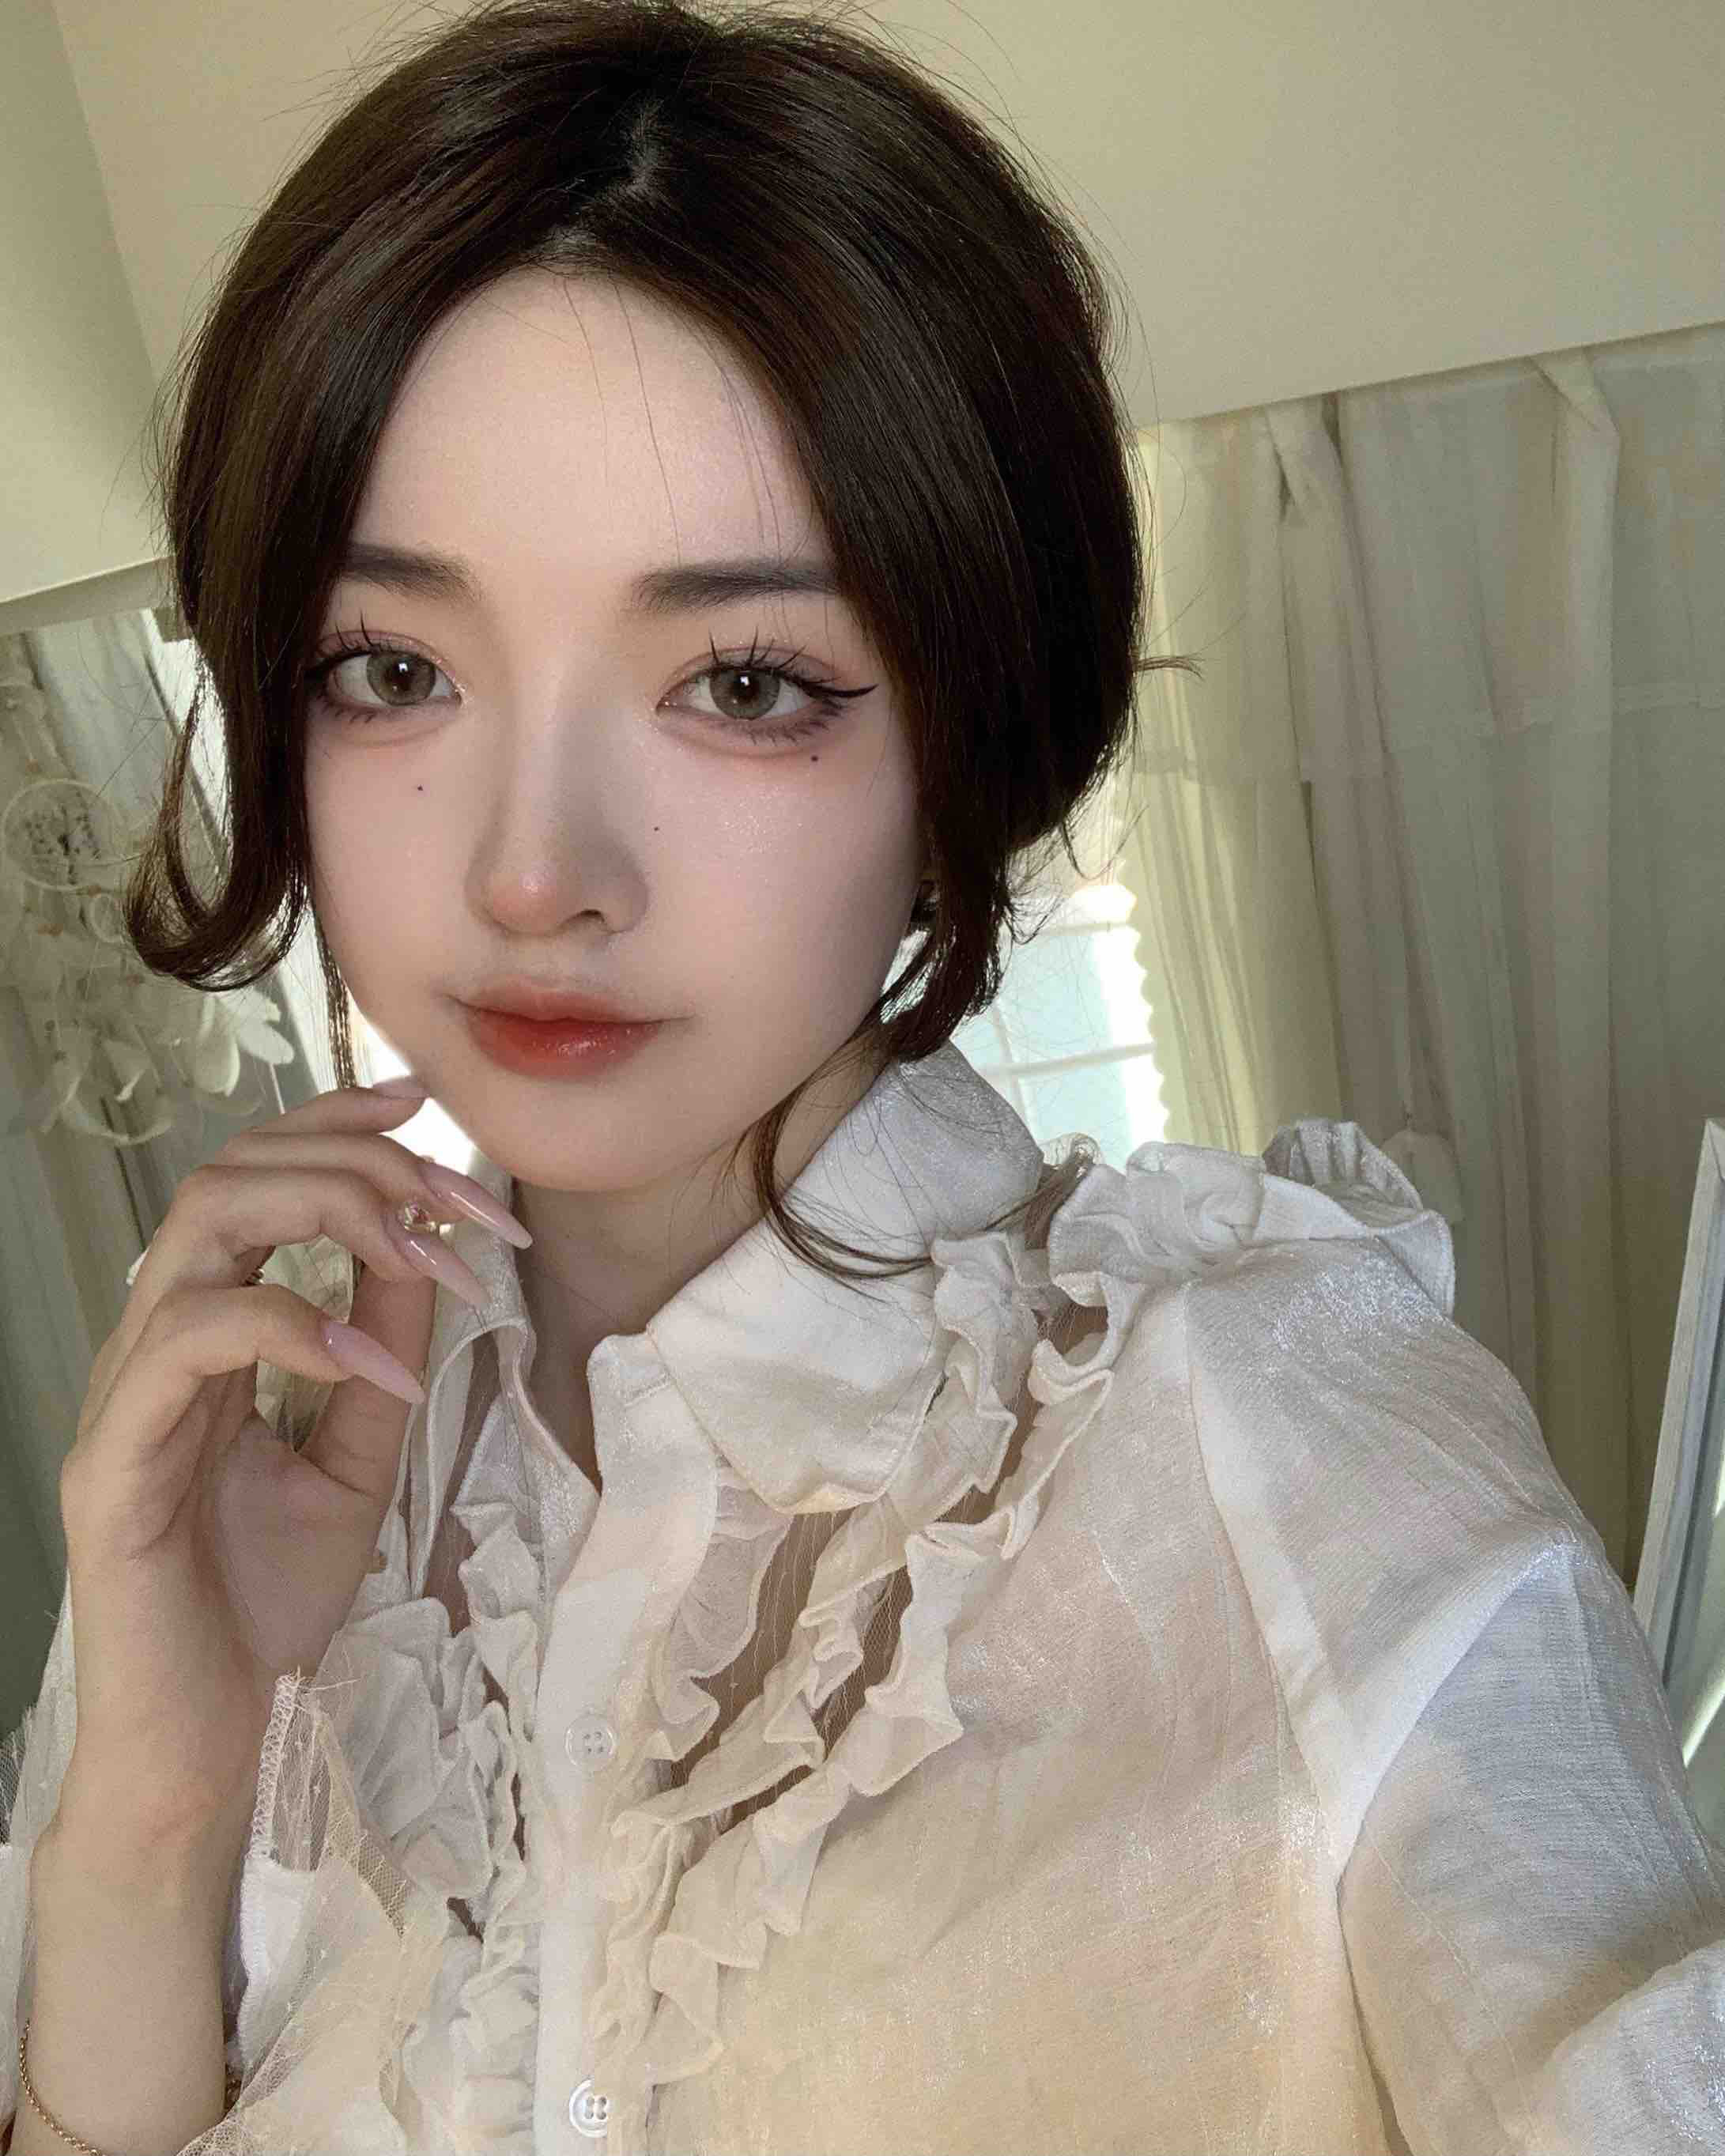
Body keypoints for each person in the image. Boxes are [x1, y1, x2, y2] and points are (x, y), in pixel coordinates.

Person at [5, 4, 1724, 2151]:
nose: (534, 872)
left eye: (744, 682)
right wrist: (157, 1804)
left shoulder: (1289, 1447)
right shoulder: (247, 1472)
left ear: (956, 746)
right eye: (395, 667)